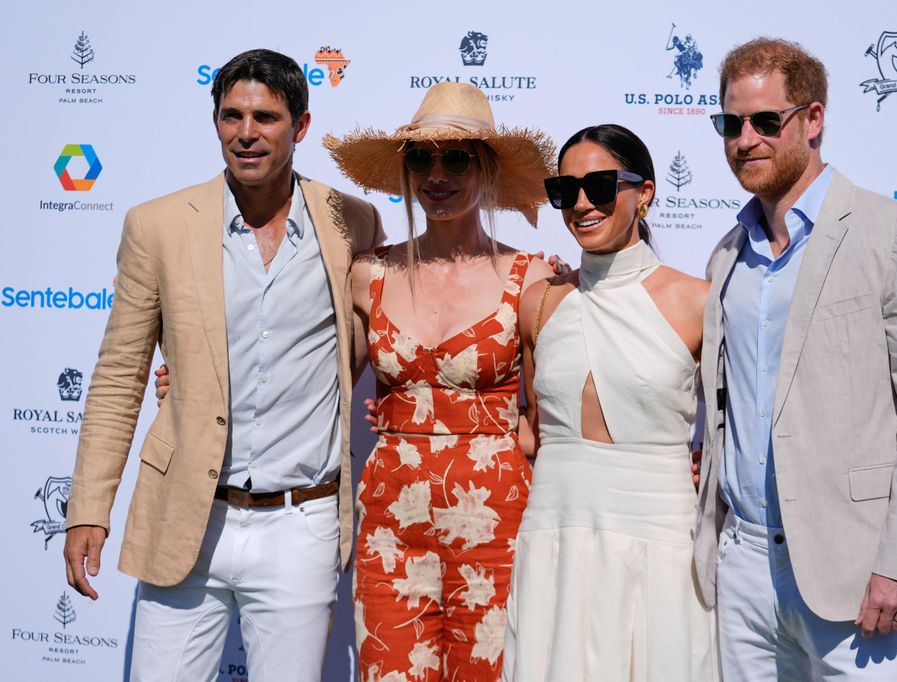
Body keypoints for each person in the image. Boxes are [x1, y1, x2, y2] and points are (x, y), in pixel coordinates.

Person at [62, 49, 384, 682]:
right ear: (214, 121)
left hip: (303, 521)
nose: (246, 132)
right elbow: (118, 376)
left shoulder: (353, 223)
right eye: (231, 115)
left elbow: (369, 345)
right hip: (189, 512)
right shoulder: (156, 226)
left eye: (265, 116)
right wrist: (87, 509)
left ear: (302, 124)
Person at [693, 38, 897, 679]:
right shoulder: (726, 256)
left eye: (766, 121)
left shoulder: (893, 233)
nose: (745, 139)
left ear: (812, 120)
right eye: (730, 124)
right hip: (742, 569)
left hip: (857, 575)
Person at [324, 82, 555, 681]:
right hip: (391, 525)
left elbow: (558, 413)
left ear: (486, 168)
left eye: (455, 157)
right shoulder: (368, 273)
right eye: (420, 158)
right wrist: (193, 383)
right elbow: (316, 379)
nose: (437, 173)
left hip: (497, 523)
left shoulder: (530, 279)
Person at [502, 124, 717, 681]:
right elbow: (533, 430)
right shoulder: (540, 302)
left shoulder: (697, 301)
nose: (580, 204)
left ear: (644, 192)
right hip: (557, 529)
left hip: (659, 532)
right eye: (563, 190)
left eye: (599, 186)